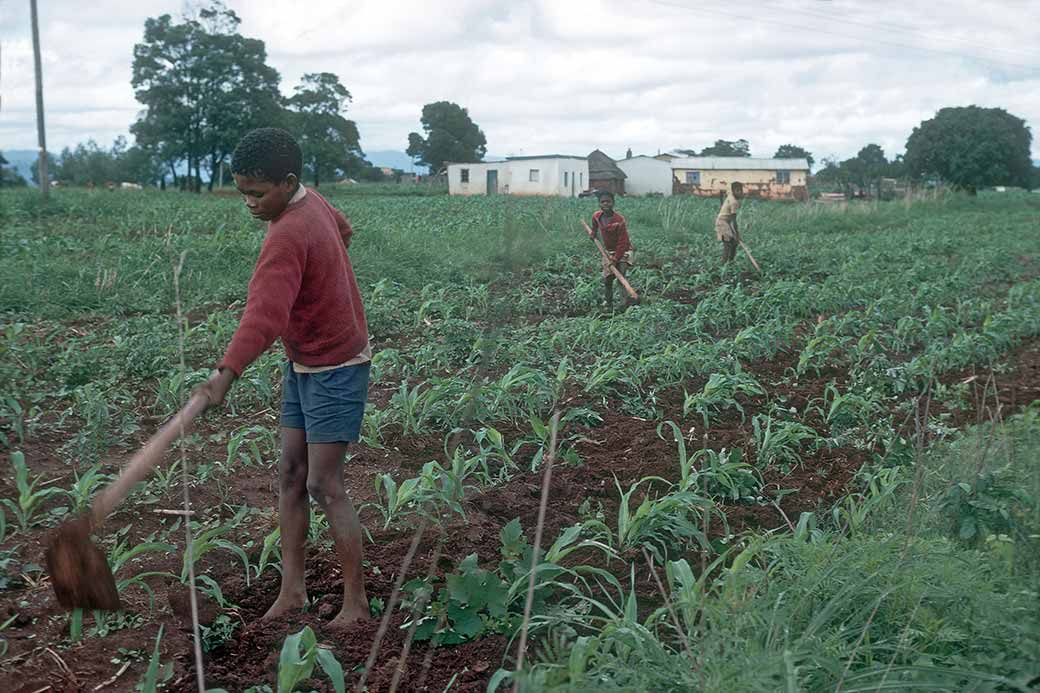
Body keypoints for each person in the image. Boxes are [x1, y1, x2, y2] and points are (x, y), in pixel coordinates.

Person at [197, 127, 372, 630]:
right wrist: (326, 280)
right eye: (242, 192)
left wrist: (226, 372)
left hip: (337, 364)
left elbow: (265, 315)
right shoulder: (309, 200)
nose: (249, 203)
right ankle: (292, 591)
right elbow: (343, 229)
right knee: (291, 476)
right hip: (304, 360)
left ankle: (355, 604)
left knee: (324, 482)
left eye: (257, 193)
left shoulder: (286, 233)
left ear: (287, 181)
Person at [589, 191, 634, 311]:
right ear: (599, 204)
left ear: (613, 203)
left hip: (623, 251)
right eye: (602, 202)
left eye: (608, 201)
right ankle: (608, 303)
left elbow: (623, 242)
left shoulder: (619, 220)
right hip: (608, 252)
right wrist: (593, 232)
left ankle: (623, 304)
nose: (605, 204)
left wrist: (616, 259)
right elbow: (594, 223)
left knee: (620, 277)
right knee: (608, 279)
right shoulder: (597, 216)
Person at [715, 181, 743, 264]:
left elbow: (725, 192)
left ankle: (731, 262)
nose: (740, 192)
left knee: (734, 243)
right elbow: (734, 220)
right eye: (737, 191)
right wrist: (737, 234)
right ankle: (723, 264)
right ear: (733, 191)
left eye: (741, 190)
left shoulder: (731, 195)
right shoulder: (733, 202)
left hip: (727, 222)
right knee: (728, 244)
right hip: (722, 223)